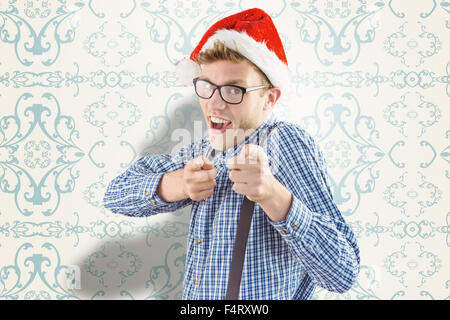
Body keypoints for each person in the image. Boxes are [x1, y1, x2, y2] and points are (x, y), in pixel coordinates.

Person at [103, 8, 360, 300]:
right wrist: (178, 184)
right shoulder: (203, 150)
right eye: (207, 87)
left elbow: (343, 272)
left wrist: (274, 196)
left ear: (269, 98)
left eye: (234, 91)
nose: (215, 104)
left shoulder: (284, 142)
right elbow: (114, 194)